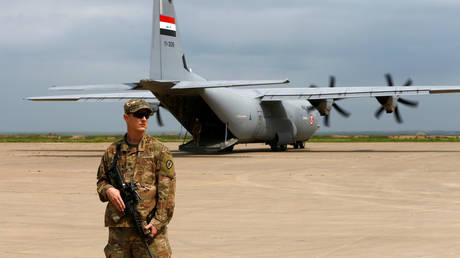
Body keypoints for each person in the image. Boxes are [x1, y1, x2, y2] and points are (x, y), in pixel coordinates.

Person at [97, 99, 176, 258]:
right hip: (120, 232)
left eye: (147, 115)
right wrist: (109, 190)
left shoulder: (159, 151)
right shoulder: (112, 152)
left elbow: (167, 195)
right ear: (126, 118)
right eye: (139, 115)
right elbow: (101, 181)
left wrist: (157, 223)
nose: (144, 119)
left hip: (148, 229)